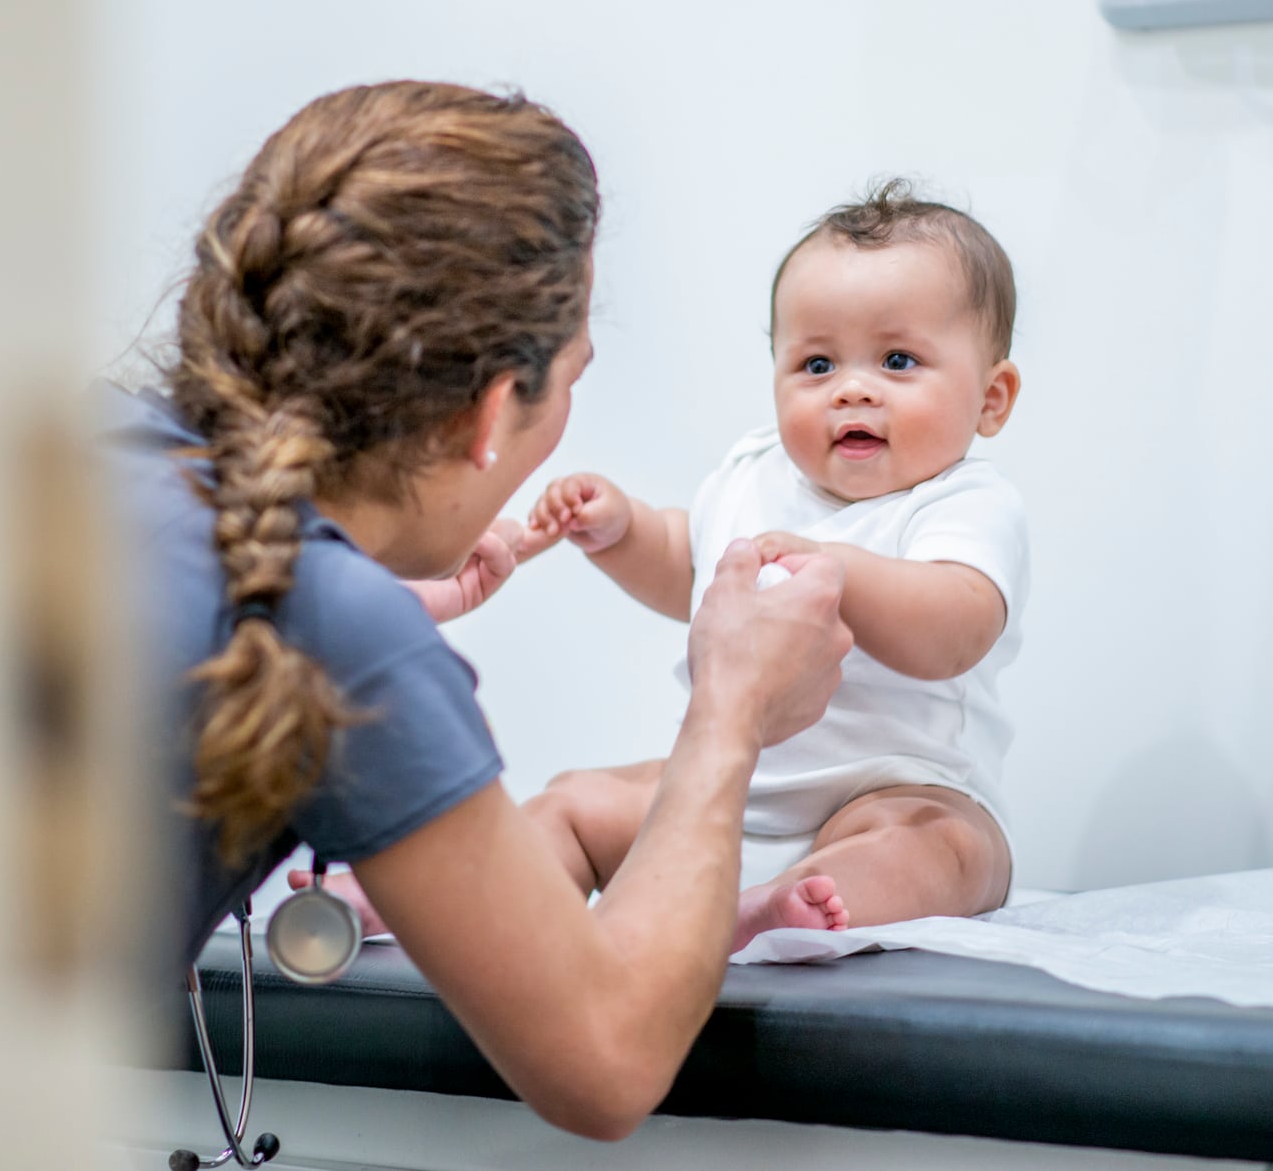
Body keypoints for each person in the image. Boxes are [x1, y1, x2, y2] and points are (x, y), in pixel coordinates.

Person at [98, 80, 852, 1142]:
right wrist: (730, 708)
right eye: (572, 376)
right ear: (495, 409)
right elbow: (606, 1058)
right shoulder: (335, 632)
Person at [516, 182, 1027, 951]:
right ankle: (457, 913)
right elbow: (695, 577)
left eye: (897, 360)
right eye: (816, 364)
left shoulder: (961, 504)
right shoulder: (752, 474)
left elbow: (953, 629)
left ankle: (780, 909)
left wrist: (840, 571)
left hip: (886, 793)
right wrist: (623, 533)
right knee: (572, 802)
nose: (851, 388)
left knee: (951, 853)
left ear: (991, 398)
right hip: (726, 798)